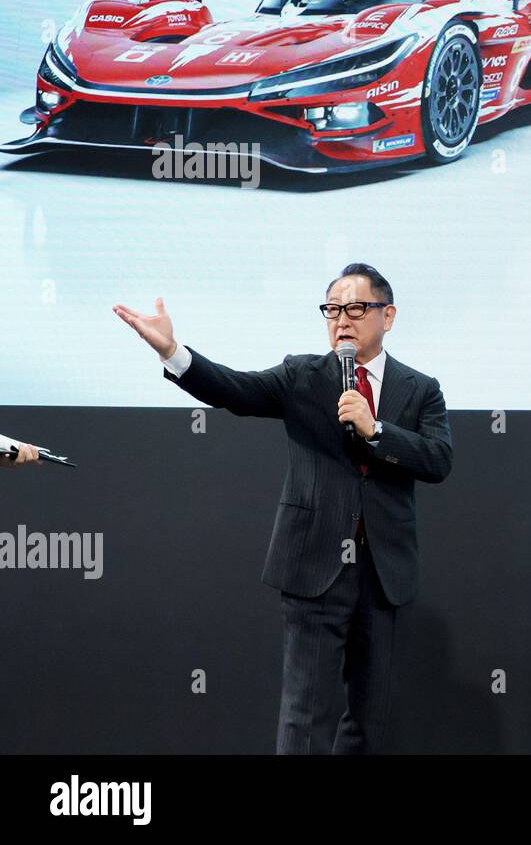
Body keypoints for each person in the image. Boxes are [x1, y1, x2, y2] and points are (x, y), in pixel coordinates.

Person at [112, 263, 452, 754]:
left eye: (356, 308)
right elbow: (234, 389)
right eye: (332, 310)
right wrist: (172, 351)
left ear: (388, 315)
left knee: (371, 725)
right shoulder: (303, 376)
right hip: (314, 568)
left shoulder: (421, 389)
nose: (342, 321)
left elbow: (439, 459)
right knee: (305, 716)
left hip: (386, 577)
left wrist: (376, 430)